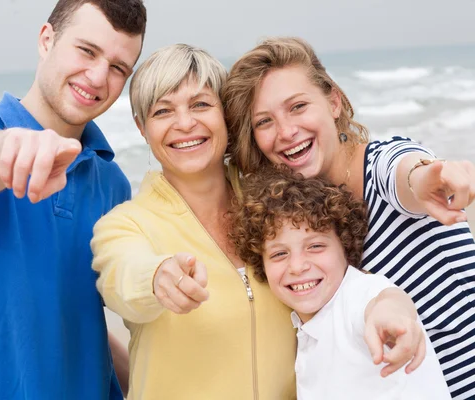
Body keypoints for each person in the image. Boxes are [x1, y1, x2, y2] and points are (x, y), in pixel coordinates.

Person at [91, 43, 427, 400]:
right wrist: (157, 277)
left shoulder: (278, 201)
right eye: (162, 111)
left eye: (201, 104)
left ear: (227, 117)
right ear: (142, 127)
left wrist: (388, 301)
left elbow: (345, 281)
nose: (185, 123)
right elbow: (121, 276)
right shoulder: (126, 226)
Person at [222, 36, 475, 399]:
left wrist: (425, 178)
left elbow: (406, 172)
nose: (286, 131)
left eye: (297, 106)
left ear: (334, 101)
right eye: (265, 121)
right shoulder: (303, 219)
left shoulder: (382, 165)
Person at [0, 1, 146, 398]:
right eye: (87, 51)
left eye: (117, 68)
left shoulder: (112, 184)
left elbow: (77, 319)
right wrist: (6, 150)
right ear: (46, 40)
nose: (97, 76)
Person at [230, 165, 451, 399]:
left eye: (315, 246)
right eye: (279, 254)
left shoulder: (356, 296)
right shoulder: (303, 332)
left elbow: (386, 299)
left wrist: (392, 317)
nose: (297, 266)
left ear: (344, 246)